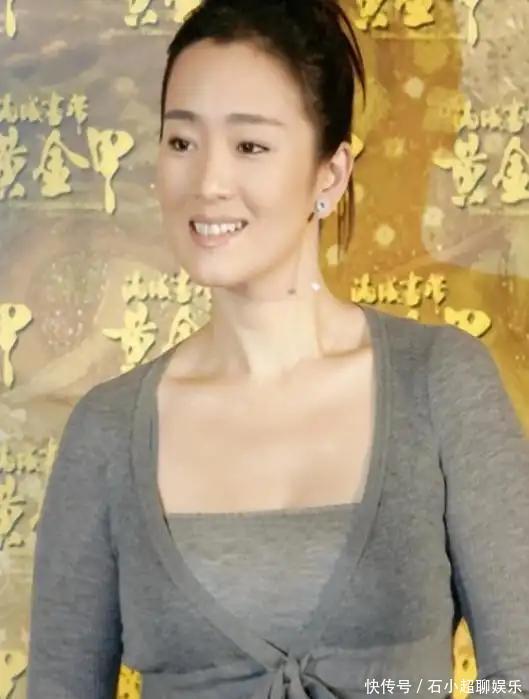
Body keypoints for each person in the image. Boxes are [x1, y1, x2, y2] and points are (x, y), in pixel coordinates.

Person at [26, 0, 529, 697]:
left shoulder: (439, 383)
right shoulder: (108, 432)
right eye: (182, 142)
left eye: (250, 146)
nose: (208, 182)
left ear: (330, 175)